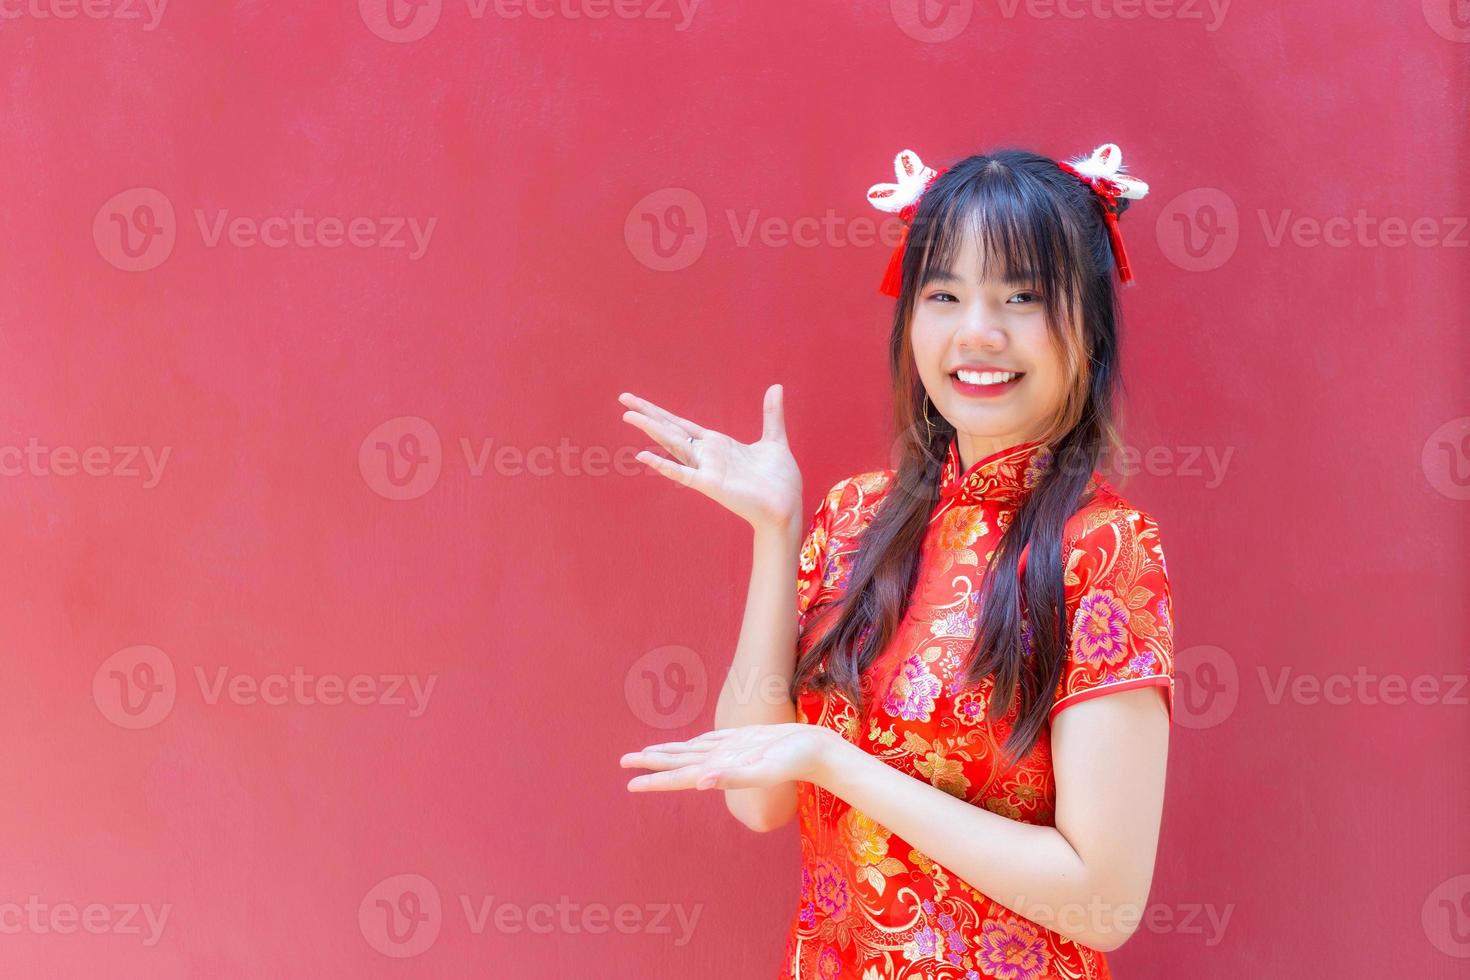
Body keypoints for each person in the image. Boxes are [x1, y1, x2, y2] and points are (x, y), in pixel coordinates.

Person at [618, 143, 1175, 980]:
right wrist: (777, 533)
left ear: (1087, 326)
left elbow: (1105, 900)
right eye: (943, 294)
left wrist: (835, 762)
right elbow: (757, 797)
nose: (975, 332)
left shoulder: (1104, 550)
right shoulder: (852, 519)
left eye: (1021, 296)